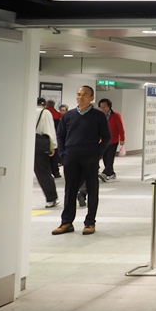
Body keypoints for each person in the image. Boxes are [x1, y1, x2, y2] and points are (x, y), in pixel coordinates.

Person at [52, 85, 109, 235]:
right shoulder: (68, 115)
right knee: (70, 190)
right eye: (78, 94)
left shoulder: (98, 116)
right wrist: (63, 153)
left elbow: (106, 137)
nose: (81, 97)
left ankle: (90, 222)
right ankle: (66, 222)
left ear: (91, 98)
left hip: (90, 157)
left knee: (92, 189)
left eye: (85, 94)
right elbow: (60, 135)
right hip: (71, 157)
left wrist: (98, 153)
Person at [33, 97, 59, 209]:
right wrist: (53, 146)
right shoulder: (45, 112)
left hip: (27, 143)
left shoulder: (28, 110)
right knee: (43, 172)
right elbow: (49, 130)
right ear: (44, 105)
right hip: (40, 144)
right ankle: (51, 198)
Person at [97, 97, 125, 182]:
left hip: (113, 140)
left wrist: (122, 139)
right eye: (101, 107)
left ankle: (106, 173)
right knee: (105, 157)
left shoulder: (116, 115)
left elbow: (120, 128)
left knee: (110, 158)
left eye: (104, 107)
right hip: (103, 141)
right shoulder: (99, 116)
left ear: (109, 107)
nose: (103, 109)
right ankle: (111, 173)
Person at [45, 99, 62, 178]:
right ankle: (56, 172)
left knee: (45, 156)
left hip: (45, 137)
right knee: (54, 156)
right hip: (55, 136)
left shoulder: (44, 113)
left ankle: (47, 173)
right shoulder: (58, 115)